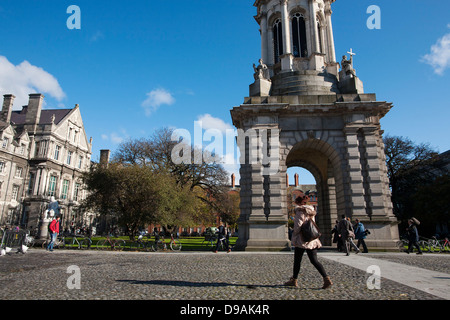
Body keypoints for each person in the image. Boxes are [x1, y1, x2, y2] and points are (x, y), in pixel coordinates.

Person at [284, 195, 332, 289]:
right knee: (314, 261)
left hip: (302, 239)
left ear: (298, 202)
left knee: (297, 261)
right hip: (311, 239)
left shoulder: (300, 210)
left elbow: (298, 225)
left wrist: (294, 236)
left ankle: (294, 280)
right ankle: (326, 279)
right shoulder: (311, 211)